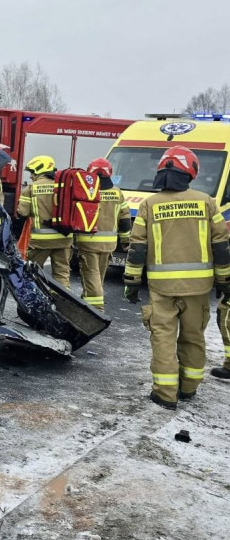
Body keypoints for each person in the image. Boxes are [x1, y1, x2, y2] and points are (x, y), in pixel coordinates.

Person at [123, 146, 230, 410]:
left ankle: (165, 393)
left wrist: (131, 283)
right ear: (191, 171)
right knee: (194, 337)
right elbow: (221, 245)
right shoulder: (207, 202)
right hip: (198, 288)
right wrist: (224, 281)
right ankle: (189, 387)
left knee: (162, 338)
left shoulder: (149, 204)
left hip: (162, 288)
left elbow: (137, 248)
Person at [74, 158, 132, 310]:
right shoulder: (117, 193)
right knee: (97, 278)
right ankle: (86, 302)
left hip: (88, 242)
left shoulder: (86, 192)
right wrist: (126, 240)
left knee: (91, 276)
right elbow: (125, 219)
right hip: (108, 245)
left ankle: (96, 309)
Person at [16, 155, 72, 288]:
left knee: (31, 272)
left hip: (41, 241)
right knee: (62, 274)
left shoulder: (31, 188)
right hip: (64, 238)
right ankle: (62, 304)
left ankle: (34, 303)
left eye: (32, 172)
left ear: (39, 170)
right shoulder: (65, 187)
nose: (30, 176)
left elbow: (22, 213)